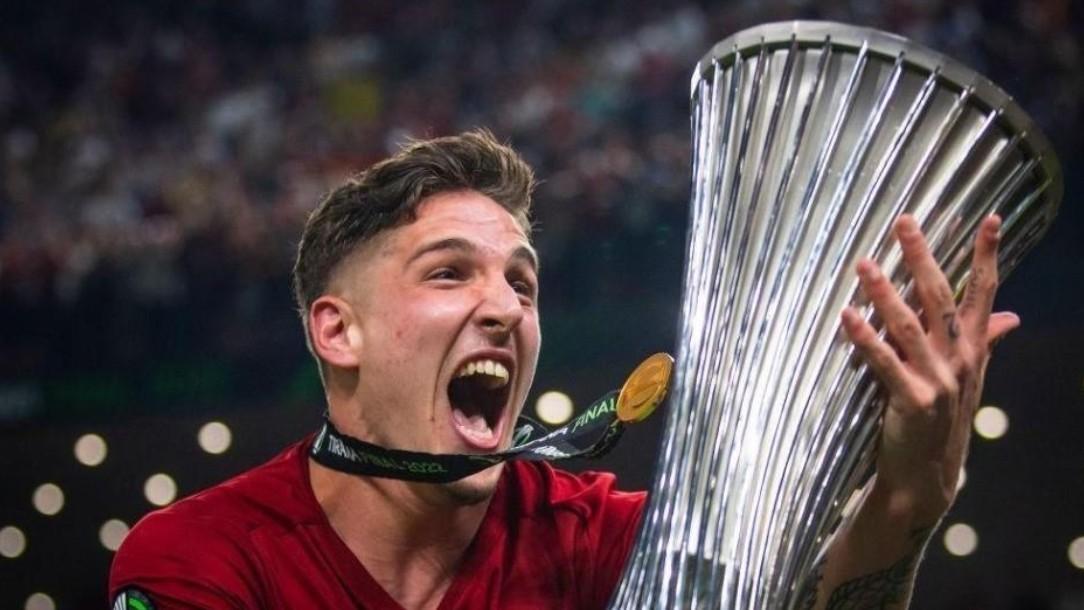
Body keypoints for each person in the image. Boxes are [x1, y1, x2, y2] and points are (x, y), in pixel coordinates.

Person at [109, 130, 1018, 610]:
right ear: (337, 332)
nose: (506, 306)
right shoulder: (202, 558)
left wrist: (906, 503)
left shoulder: (599, 540)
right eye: (450, 272)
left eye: (522, 282)